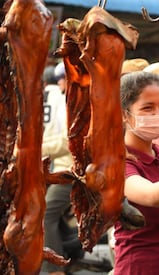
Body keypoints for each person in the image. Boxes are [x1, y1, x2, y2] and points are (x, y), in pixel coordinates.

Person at [113, 71, 159, 274]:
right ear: (124, 114)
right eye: (147, 108)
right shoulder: (120, 161)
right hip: (140, 267)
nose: (158, 114)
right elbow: (151, 195)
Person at [41, 61, 74, 275]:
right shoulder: (62, 100)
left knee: (46, 211)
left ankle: (54, 269)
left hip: (72, 170)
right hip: (58, 165)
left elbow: (66, 143)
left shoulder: (68, 102)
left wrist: (35, 149)